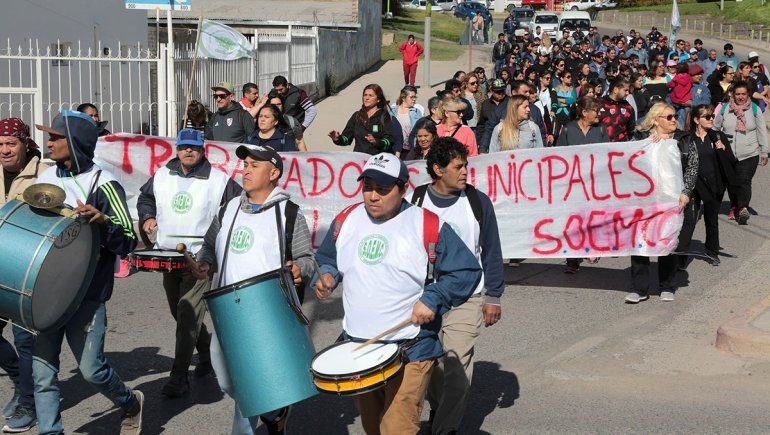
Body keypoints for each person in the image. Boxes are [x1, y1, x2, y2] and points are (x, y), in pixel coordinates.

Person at [313, 153, 483, 435]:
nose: (373, 196)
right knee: (373, 427)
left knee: (396, 428)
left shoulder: (427, 224)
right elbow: (329, 258)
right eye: (368, 187)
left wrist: (432, 298)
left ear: (403, 189)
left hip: (410, 348)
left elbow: (466, 270)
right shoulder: (346, 219)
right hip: (360, 347)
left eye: (383, 189)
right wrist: (327, 275)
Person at [33, 110, 143, 433]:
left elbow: (128, 241)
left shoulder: (104, 184)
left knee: (92, 370)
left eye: (56, 137)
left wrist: (104, 222)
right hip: (47, 291)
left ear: (76, 143)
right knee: (42, 374)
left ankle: (130, 402)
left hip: (88, 294)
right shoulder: (46, 178)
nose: (49, 143)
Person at [194, 144, 314, 435]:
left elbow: (307, 259)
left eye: (254, 165)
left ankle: (260, 413)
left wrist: (300, 270)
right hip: (228, 310)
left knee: (249, 385)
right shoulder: (230, 207)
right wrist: (204, 262)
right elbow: (210, 245)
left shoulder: (289, 213)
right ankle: (274, 413)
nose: (246, 170)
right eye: (245, 164)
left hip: (267, 312)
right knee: (226, 380)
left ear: (273, 173)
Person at [136, 128, 242, 398]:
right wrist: (147, 216)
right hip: (167, 257)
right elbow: (145, 197)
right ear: (178, 149)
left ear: (202, 149)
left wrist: (215, 250)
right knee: (182, 314)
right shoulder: (162, 174)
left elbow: (237, 209)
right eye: (184, 147)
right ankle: (205, 354)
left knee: (185, 315)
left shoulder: (219, 180)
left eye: (194, 147)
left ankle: (179, 376)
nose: (188, 151)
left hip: (199, 260)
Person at [408, 137, 504, 434]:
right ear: (438, 169)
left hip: (468, 297)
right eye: (458, 166)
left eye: (466, 166)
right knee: (433, 368)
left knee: (457, 371)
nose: (465, 172)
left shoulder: (477, 202)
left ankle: (443, 429)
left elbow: (491, 251)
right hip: (428, 298)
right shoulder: (416, 200)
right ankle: (441, 409)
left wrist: (494, 296)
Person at [625, 103, 698, 303]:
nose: (674, 119)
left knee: (667, 242)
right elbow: (627, 162)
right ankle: (640, 289)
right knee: (640, 243)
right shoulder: (641, 138)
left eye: (674, 116)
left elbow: (692, 167)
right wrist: (647, 144)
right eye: (668, 117)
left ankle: (667, 285)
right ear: (656, 120)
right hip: (645, 201)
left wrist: (686, 192)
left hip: (672, 200)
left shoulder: (684, 139)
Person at [0, 118, 43, 432]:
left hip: (27, 269)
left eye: (11, 143)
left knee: (25, 340)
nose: (4, 150)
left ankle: (30, 402)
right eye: (0, 144)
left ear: (25, 144)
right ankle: (19, 380)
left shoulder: (42, 174)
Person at [685, 105, 738, 263]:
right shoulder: (687, 139)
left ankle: (712, 251)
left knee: (711, 219)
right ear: (696, 120)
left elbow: (731, 161)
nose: (711, 119)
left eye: (711, 116)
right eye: (707, 117)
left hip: (715, 185)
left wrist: (722, 149)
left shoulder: (717, 136)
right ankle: (680, 255)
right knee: (689, 221)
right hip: (695, 185)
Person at [714, 81, 769, 225]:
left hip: (749, 153)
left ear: (748, 94)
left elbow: (762, 131)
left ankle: (743, 207)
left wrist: (764, 152)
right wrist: (716, 142)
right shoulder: (725, 108)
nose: (740, 97)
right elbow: (715, 128)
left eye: (743, 94)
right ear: (733, 94)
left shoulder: (755, 109)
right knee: (732, 183)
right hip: (728, 153)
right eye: (737, 94)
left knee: (744, 181)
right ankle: (734, 206)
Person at [329, 84, 395, 155]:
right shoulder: (357, 116)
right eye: (365, 95)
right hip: (359, 160)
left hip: (377, 161)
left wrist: (377, 142)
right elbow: (347, 139)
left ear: (378, 99)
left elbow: (390, 140)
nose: (366, 98)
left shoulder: (383, 115)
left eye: (370, 95)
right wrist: (337, 139)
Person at [598, 78, 635, 142]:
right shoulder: (598, 104)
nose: (627, 93)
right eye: (625, 90)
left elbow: (631, 130)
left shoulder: (628, 107)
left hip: (621, 147)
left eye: (628, 91)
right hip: (601, 146)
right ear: (615, 90)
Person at [391, 85, 422, 158]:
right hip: (394, 148)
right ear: (403, 98)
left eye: (415, 97)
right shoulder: (393, 111)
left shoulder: (417, 112)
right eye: (411, 97)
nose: (414, 99)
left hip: (409, 149)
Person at [552, 70, 577, 138]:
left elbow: (573, 100)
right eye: (568, 77)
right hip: (558, 113)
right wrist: (561, 103)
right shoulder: (556, 88)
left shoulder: (572, 89)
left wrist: (560, 100)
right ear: (562, 78)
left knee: (569, 133)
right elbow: (553, 100)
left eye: (571, 77)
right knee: (556, 133)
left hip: (568, 114)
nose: (570, 78)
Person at [668, 63, 693, 128]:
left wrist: (666, 85)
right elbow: (692, 83)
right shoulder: (689, 77)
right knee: (686, 115)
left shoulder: (677, 77)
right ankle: (685, 127)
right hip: (686, 99)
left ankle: (678, 127)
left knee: (674, 113)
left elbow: (671, 84)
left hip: (676, 98)